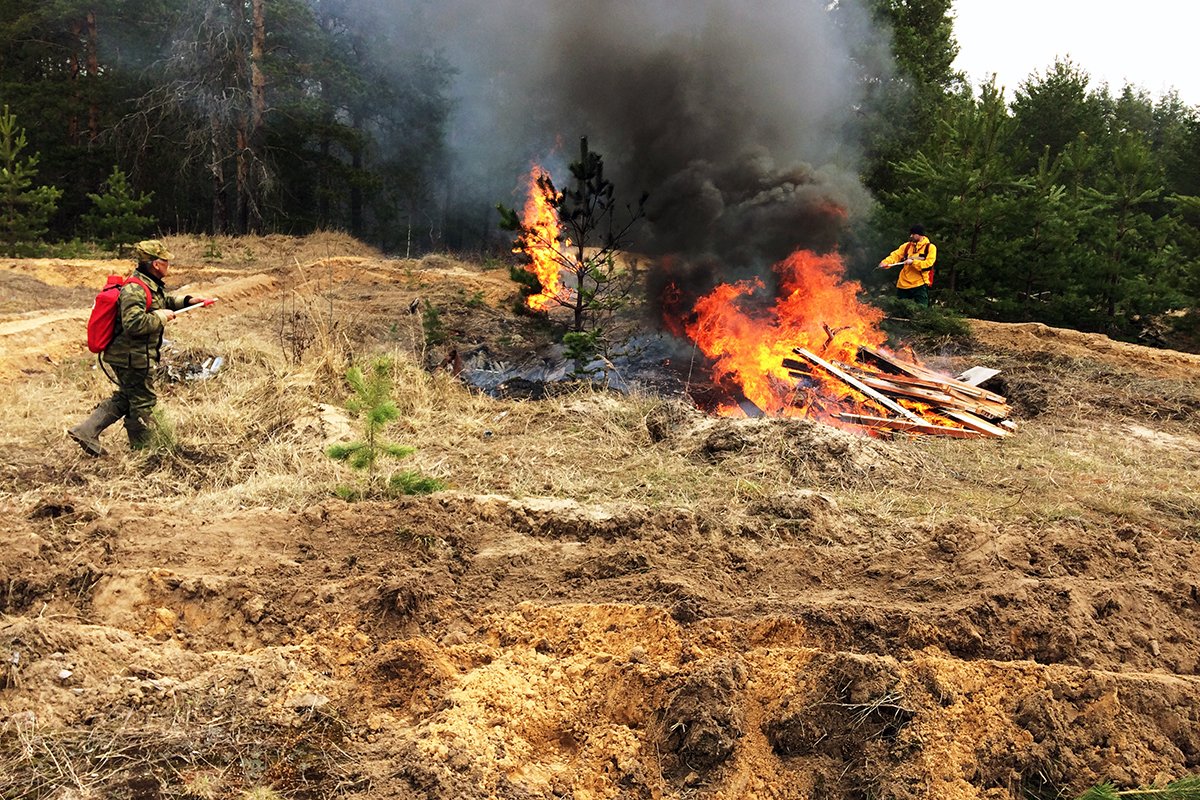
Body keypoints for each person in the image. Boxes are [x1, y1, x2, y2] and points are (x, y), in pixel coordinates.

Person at [68, 240, 211, 455]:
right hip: (131, 357)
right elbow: (133, 324)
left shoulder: (148, 283)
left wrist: (189, 301)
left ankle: (86, 430)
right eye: (166, 261)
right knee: (143, 403)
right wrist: (159, 318)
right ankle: (144, 451)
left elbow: (163, 301)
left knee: (128, 396)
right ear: (155, 264)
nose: (168, 265)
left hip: (131, 355)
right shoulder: (135, 289)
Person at [879, 224, 936, 307]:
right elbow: (895, 255)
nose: (911, 236)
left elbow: (928, 265)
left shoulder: (930, 248)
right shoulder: (906, 246)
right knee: (899, 311)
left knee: (921, 311)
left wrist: (913, 262)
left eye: (913, 234)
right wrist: (885, 262)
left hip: (919, 285)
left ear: (919, 234)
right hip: (903, 285)